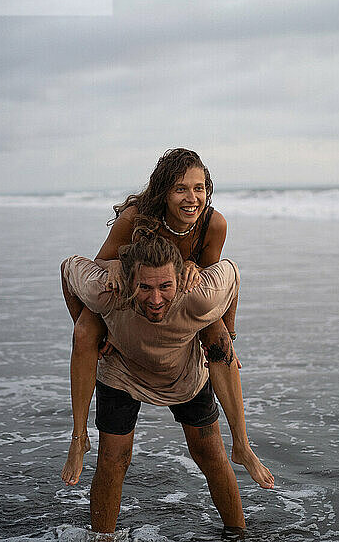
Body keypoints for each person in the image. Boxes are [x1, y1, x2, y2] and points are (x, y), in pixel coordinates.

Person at [61, 148, 274, 491]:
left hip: (177, 300)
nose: (193, 198)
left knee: (218, 336)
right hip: (131, 295)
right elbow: (103, 259)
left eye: (199, 188)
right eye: (181, 189)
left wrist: (226, 327)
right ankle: (78, 436)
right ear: (163, 192)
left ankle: (242, 446)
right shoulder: (136, 217)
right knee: (85, 329)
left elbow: (212, 279)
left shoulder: (213, 224)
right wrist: (112, 321)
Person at [61, 233, 248, 535]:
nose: (156, 299)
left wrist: (229, 332)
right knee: (113, 458)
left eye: (165, 286)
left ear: (180, 279)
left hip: (182, 371)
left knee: (210, 453)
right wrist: (92, 331)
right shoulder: (106, 291)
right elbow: (68, 268)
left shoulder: (200, 294)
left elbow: (234, 273)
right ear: (128, 280)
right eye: (144, 287)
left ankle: (238, 534)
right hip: (123, 371)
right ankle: (102, 539)